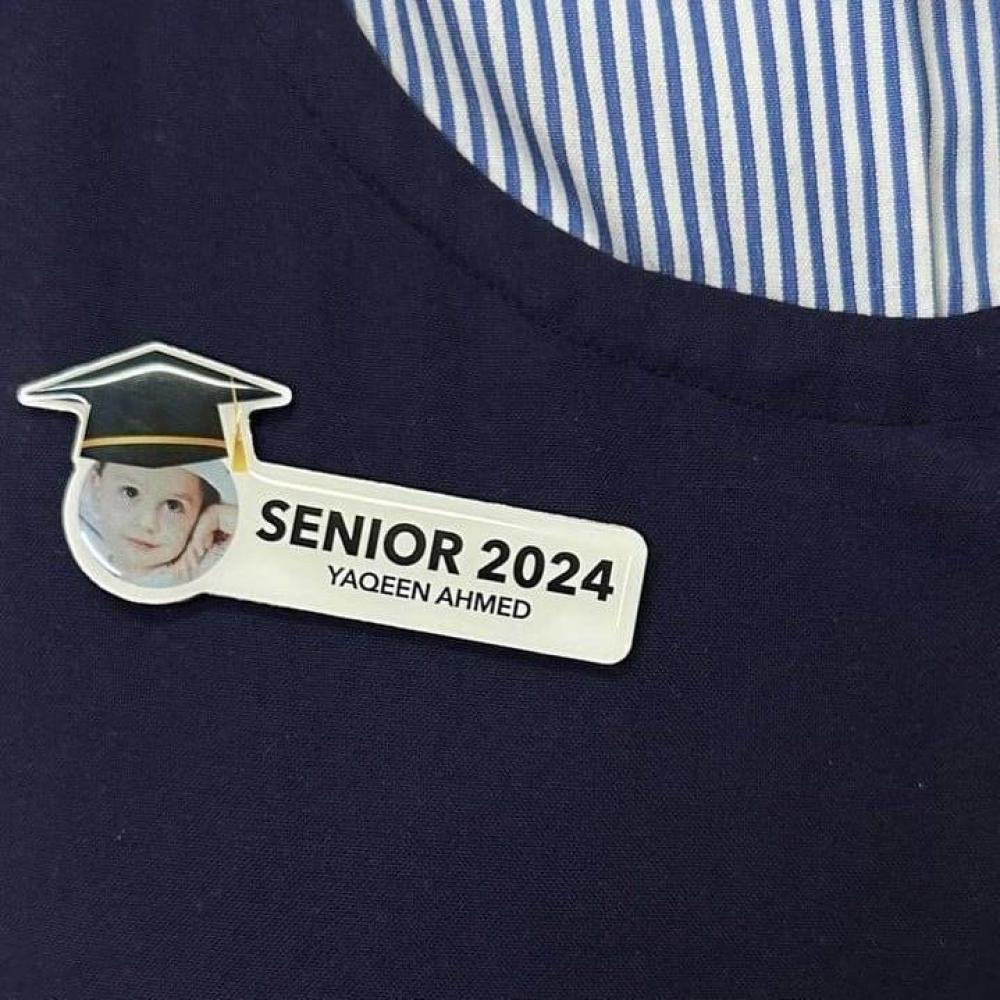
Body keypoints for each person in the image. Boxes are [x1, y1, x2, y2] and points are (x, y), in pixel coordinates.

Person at [79, 458, 237, 587]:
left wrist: (215, 516)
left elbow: (244, 529)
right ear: (96, 486)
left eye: (173, 505)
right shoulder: (86, 551)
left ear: (199, 513)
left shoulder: (203, 567)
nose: (147, 523)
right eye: (130, 492)